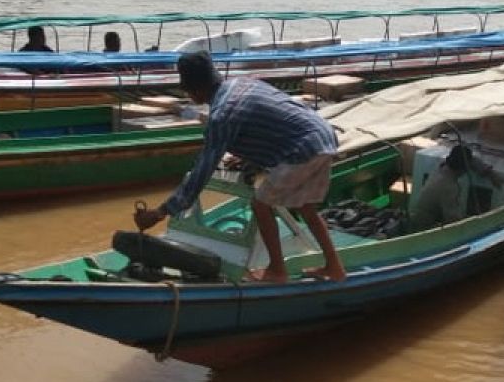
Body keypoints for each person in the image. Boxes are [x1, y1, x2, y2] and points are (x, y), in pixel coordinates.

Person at [133, 52, 347, 283]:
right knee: (306, 207)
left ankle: (277, 271)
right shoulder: (242, 83)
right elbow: (274, 126)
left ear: (194, 91)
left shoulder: (222, 116)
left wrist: (161, 212)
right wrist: (250, 159)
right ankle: (334, 268)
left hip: (303, 149)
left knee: (261, 203)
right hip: (323, 136)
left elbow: (201, 172)